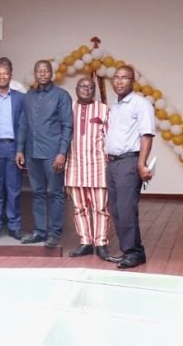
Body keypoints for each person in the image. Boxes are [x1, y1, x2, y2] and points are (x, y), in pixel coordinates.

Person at [16, 60, 73, 248]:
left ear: (51, 74)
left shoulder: (61, 96)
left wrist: (62, 153)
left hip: (52, 154)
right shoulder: (29, 96)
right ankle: (40, 231)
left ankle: (55, 233)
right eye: (38, 71)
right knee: (37, 193)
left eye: (45, 71)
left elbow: (67, 125)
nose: (42, 74)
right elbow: (23, 124)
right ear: (35, 74)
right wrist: (19, 149)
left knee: (55, 193)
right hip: (32, 153)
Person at [105, 66, 155, 269]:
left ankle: (134, 253)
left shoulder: (140, 104)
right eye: (116, 78)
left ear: (132, 81)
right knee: (116, 210)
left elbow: (147, 135)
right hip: (113, 162)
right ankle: (131, 251)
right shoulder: (116, 107)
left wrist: (141, 163)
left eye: (124, 78)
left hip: (129, 162)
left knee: (126, 210)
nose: (119, 81)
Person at [66, 77, 111, 260]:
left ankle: (101, 244)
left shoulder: (103, 109)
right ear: (76, 89)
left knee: (101, 208)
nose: (86, 89)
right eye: (82, 86)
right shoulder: (68, 109)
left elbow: (109, 138)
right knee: (79, 207)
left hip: (98, 165)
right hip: (75, 165)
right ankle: (85, 242)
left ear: (95, 90)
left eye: (90, 87)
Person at [0, 63, 25, 241]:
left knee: (14, 189)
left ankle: (14, 225)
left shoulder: (20, 98)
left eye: (5, 74)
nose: (2, 77)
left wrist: (21, 149)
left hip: (13, 147)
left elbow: (24, 125)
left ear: (10, 76)